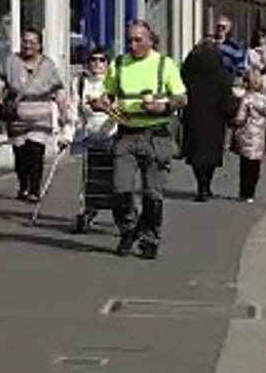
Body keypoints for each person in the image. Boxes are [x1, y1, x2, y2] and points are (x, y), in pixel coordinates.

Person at [92, 20, 187, 258]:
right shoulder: (119, 64)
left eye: (138, 40)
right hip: (127, 134)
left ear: (150, 40)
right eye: (130, 40)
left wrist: (162, 106)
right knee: (119, 188)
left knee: (153, 194)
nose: (133, 45)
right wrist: (101, 103)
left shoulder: (165, 65)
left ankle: (150, 239)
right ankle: (128, 229)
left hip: (155, 135)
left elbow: (181, 98)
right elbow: (109, 94)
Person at [0, 27, 69, 203]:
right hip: (17, 116)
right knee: (21, 155)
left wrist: (63, 113)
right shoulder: (10, 62)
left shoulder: (48, 65)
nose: (28, 46)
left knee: (36, 151)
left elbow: (59, 91)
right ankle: (23, 185)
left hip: (41, 115)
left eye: (33, 42)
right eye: (25, 41)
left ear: (40, 45)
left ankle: (34, 190)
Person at [181, 34, 234, 201]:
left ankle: (201, 185)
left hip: (194, 114)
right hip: (215, 117)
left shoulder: (189, 70)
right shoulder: (220, 73)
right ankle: (207, 185)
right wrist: (230, 112)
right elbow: (227, 96)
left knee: (196, 153)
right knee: (211, 153)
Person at [68, 46, 116, 229]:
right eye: (93, 59)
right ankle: (86, 212)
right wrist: (68, 135)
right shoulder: (79, 82)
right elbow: (74, 110)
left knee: (112, 178)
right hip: (89, 135)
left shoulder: (113, 83)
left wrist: (105, 108)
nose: (97, 64)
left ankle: (123, 216)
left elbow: (120, 110)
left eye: (102, 60)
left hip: (112, 134)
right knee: (89, 178)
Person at [231, 69, 266, 203]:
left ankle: (244, 192)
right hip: (259, 136)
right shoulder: (265, 100)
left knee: (245, 166)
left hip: (246, 134)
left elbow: (240, 118)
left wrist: (233, 123)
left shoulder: (246, 99)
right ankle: (251, 193)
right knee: (255, 166)